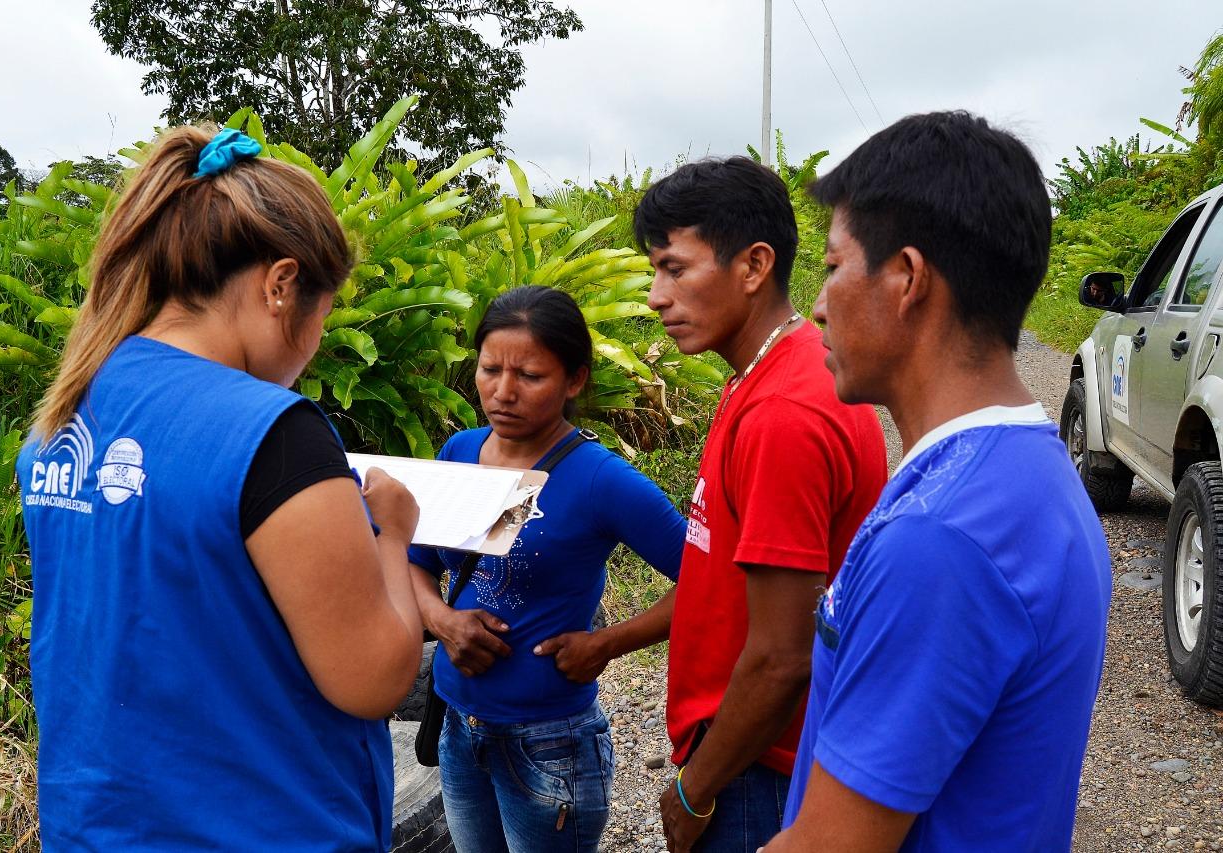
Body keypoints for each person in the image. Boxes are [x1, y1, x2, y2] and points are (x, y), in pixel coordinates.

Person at [17, 127, 422, 851]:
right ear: (280, 284)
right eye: (323, 318)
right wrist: (392, 530)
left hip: (95, 828)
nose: (315, 345)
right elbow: (374, 677)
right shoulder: (273, 433)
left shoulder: (65, 411)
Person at [764, 112, 1111, 852]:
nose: (819, 304)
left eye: (832, 267)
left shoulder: (940, 534)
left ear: (908, 280)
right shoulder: (1030, 471)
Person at [633, 156, 888, 853]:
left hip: (757, 772)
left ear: (753, 265)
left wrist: (694, 789)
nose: (656, 295)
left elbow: (782, 655)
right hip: (754, 756)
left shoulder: (783, 411)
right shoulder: (770, 373)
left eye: (674, 268)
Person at [407, 285, 687, 853]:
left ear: (575, 380)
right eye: (489, 369)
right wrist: (442, 621)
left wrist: (607, 644)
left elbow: (710, 579)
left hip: (549, 744)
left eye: (530, 376)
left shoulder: (599, 480)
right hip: (458, 728)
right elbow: (416, 565)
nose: (503, 392)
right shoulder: (459, 452)